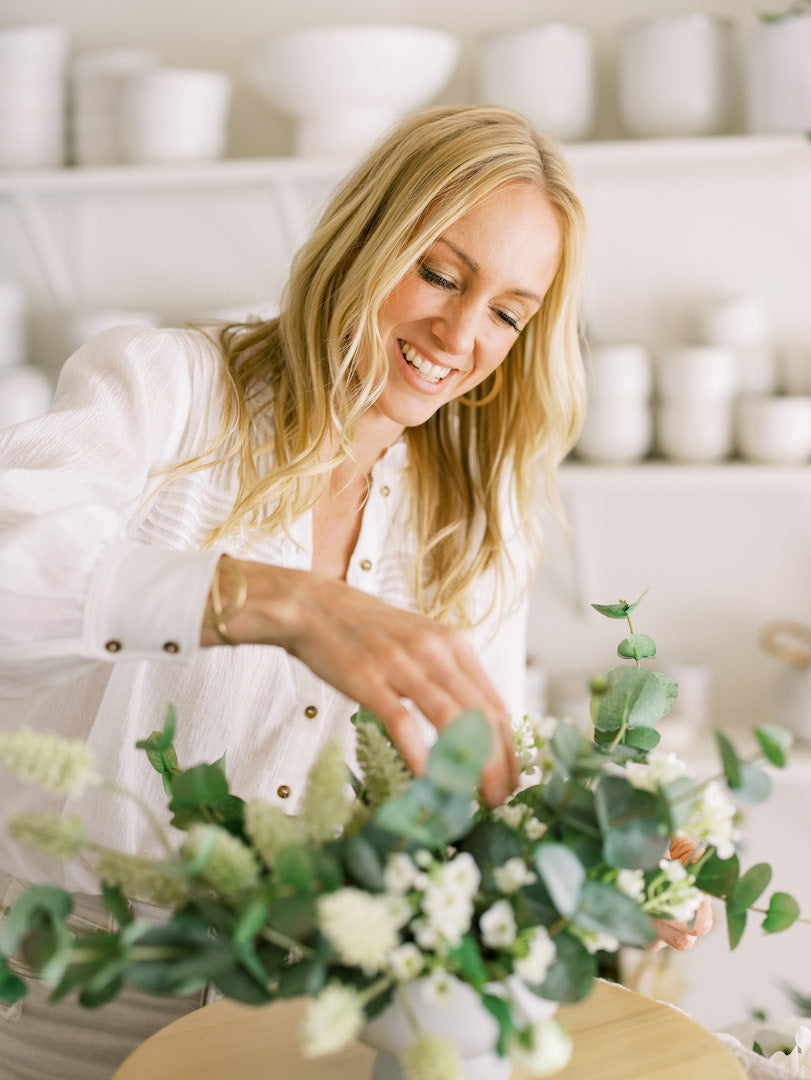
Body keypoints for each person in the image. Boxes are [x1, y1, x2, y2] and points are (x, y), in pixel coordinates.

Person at [0, 105, 708, 1079]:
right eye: (440, 273)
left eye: (506, 312)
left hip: (315, 1004)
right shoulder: (170, 389)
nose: (459, 333)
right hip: (72, 982)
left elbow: (468, 773)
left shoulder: (472, 515)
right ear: (369, 237)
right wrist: (281, 602)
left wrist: (587, 849)